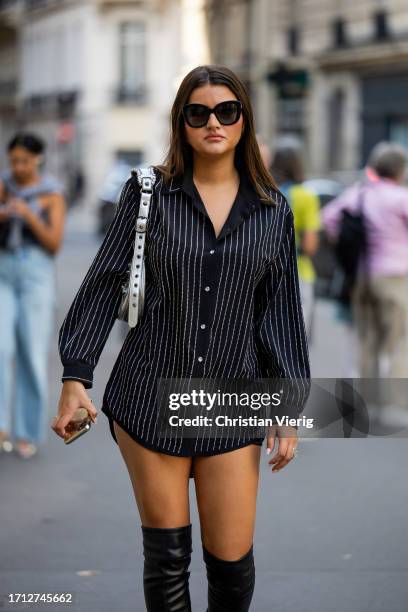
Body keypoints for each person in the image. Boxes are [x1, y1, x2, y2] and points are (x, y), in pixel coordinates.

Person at [52, 65, 310, 612]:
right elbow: (104, 283)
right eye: (198, 112)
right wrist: (76, 374)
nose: (213, 122)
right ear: (182, 123)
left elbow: (280, 311)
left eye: (226, 111)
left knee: (232, 568)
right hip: (149, 393)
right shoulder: (149, 194)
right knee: (167, 564)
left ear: (243, 119)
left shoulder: (272, 209)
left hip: (231, 401)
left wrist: (286, 405)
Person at [321, 141, 408, 426]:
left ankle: (366, 403)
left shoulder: (358, 193)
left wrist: (346, 246)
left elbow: (328, 219)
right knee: (398, 342)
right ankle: (393, 405)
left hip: (361, 276)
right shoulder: (400, 198)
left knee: (366, 341)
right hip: (395, 276)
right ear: (399, 170)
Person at [0, 132, 66, 458]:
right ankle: (1, 426)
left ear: (37, 159)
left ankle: (26, 432)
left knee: (31, 354)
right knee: (0, 347)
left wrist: (27, 215)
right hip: (3, 271)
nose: (18, 167)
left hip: (36, 275)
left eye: (24, 161)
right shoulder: (3, 185)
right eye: (13, 161)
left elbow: (54, 243)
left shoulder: (52, 194)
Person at [270, 139, 322, 342]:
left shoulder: (265, 194)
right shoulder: (306, 197)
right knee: (295, 343)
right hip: (298, 273)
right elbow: (310, 245)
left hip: (265, 272)